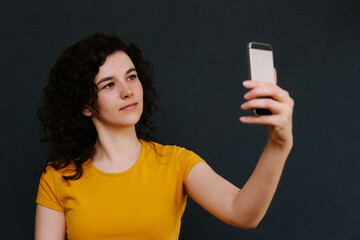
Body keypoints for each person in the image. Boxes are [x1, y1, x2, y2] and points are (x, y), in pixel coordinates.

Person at [35, 32, 294, 240]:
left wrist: (278, 144)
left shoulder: (175, 162)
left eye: (131, 77)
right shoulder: (58, 177)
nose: (127, 91)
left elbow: (243, 213)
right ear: (85, 104)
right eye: (109, 84)